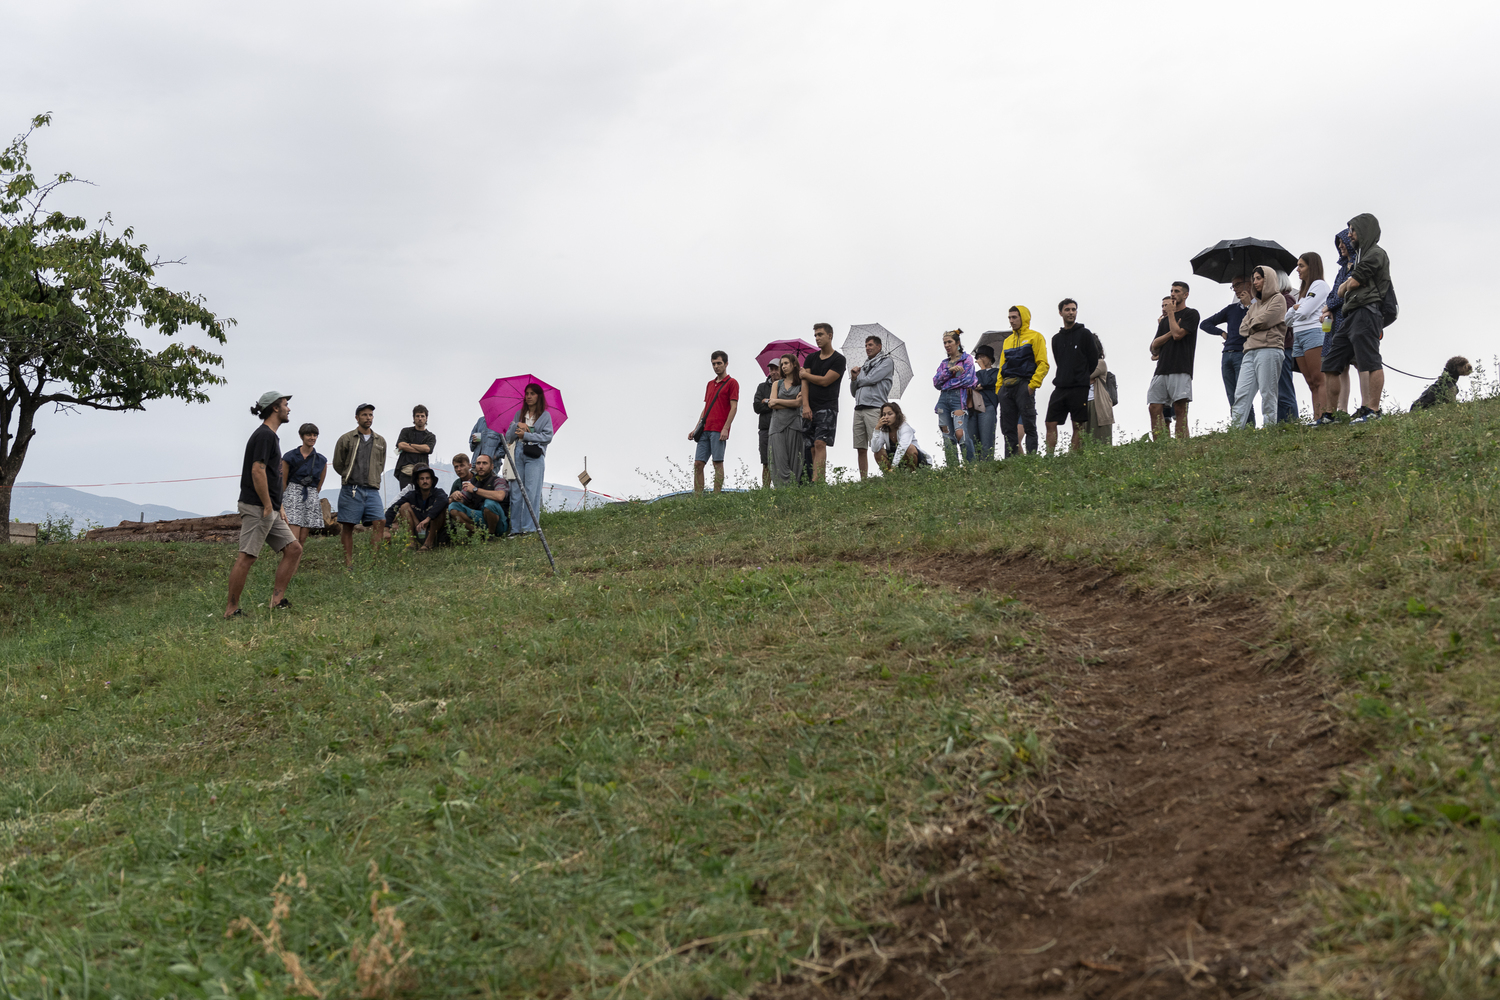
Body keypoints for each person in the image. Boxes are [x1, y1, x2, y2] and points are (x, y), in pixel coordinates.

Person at [224, 392, 304, 617]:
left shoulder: (271, 436)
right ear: (275, 408)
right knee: (247, 557)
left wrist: (278, 505)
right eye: (286, 405)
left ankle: (276, 601)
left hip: (270, 507)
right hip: (258, 507)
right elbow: (257, 471)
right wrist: (268, 505)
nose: (289, 409)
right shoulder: (264, 436)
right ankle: (231, 610)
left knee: (294, 549)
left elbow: (271, 475)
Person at [1322, 213, 1391, 424]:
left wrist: (1348, 283)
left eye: (1353, 230)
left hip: (1367, 312)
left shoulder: (1376, 254)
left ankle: (1373, 410)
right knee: (1331, 363)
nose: (1350, 235)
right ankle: (1330, 415)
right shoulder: (1359, 258)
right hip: (1350, 315)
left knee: (1370, 361)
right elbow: (1340, 290)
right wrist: (1347, 284)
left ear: (1364, 231)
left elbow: (1351, 284)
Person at [1230, 266, 1289, 428]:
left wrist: (1252, 324)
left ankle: (1269, 429)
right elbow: (1242, 329)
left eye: (1259, 278)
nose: (1255, 282)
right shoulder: (1254, 306)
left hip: (1270, 349)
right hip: (1249, 352)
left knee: (1267, 392)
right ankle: (1235, 430)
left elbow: (1266, 320)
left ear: (1268, 279)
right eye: (1254, 278)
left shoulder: (1278, 299)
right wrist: (1255, 324)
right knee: (1241, 393)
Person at [332, 403, 387, 568]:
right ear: (357, 418)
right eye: (364, 415)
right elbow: (338, 463)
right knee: (348, 525)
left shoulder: (380, 441)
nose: (368, 418)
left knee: (380, 521)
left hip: (372, 489)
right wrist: (348, 475)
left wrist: (374, 478)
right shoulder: (346, 439)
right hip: (352, 488)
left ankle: (372, 563)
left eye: (370, 415)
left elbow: (381, 464)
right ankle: (348, 564)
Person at [1045, 299, 1101, 455]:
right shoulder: (1056, 339)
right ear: (1060, 312)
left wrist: (1082, 375)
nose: (1071, 312)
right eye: (1067, 309)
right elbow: (1059, 360)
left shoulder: (1084, 334)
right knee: (1050, 422)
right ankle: (1049, 456)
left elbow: (1093, 359)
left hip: (1079, 386)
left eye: (1073, 309)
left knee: (1078, 424)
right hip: (1061, 385)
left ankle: (1073, 456)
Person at [1147, 281, 1199, 440]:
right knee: (1154, 406)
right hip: (1162, 368)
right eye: (1171, 291)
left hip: (1181, 367)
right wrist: (1168, 332)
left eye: (1177, 291)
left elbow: (1178, 335)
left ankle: (1182, 444)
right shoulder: (1164, 322)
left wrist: (1171, 314)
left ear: (1186, 295)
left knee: (1180, 408)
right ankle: (1160, 445)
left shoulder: (1191, 314)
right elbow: (1154, 346)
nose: (1173, 294)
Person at [1200, 275, 1254, 427]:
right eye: (1233, 286)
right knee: (1231, 394)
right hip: (1227, 354)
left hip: (1243, 353)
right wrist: (1221, 332)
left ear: (1249, 284)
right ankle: (1238, 427)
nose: (1235, 289)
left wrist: (1248, 306)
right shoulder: (1231, 309)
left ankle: (1249, 428)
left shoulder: (1257, 308)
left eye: (1238, 284)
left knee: (1243, 394)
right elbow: (1205, 324)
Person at [1316, 229, 1357, 423]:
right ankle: (1341, 409)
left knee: (1358, 362)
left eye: (1343, 242)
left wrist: (1328, 306)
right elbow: (1333, 294)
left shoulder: (1357, 264)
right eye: (1338, 243)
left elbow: (1344, 294)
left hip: (1349, 319)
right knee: (1339, 367)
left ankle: (1365, 406)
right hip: (1335, 323)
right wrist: (1329, 307)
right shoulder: (1342, 269)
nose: (1340, 246)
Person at [998, 305, 1049, 457]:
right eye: (1009, 317)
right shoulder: (1007, 341)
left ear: (1023, 317)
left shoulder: (1036, 337)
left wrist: (1032, 385)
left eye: (1014, 317)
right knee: (1007, 428)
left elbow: (1043, 364)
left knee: (1029, 424)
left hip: (1024, 384)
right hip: (1006, 387)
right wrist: (998, 389)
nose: (1011, 321)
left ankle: (1031, 459)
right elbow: (1002, 367)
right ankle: (1010, 462)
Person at [505, 383, 554, 534]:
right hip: (518, 452)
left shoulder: (545, 416)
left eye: (532, 393)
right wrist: (516, 426)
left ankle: (528, 528)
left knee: (531, 491)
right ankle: (515, 528)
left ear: (539, 396)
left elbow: (547, 437)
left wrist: (526, 435)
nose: (529, 396)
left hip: (534, 454)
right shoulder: (519, 415)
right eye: (527, 394)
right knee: (516, 490)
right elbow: (509, 438)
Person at [800, 324, 846, 483]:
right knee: (811, 446)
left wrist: (805, 375)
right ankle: (818, 480)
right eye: (815, 335)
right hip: (810, 407)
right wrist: (805, 405)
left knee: (820, 443)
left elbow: (826, 381)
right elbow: (804, 383)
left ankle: (817, 481)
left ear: (830, 335)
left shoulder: (839, 359)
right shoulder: (810, 358)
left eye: (820, 334)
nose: (817, 338)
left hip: (827, 407)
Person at [1287, 253, 1330, 423]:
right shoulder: (1303, 293)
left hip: (1313, 333)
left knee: (1319, 379)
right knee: (1311, 382)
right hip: (1298, 335)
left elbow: (1304, 312)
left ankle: (1325, 416)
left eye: (1301, 266)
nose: (1297, 269)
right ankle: (1317, 417)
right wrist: (1295, 308)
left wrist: (1297, 309)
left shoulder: (1319, 285)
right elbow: (1287, 319)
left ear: (1312, 267)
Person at [688, 351, 739, 494]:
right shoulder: (710, 384)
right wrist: (696, 428)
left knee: (717, 462)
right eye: (713, 364)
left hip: (718, 428)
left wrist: (726, 428)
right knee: (698, 464)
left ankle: (716, 495)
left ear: (726, 364)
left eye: (719, 363)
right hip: (705, 428)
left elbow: (734, 407)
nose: (716, 366)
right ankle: (698, 498)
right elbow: (706, 407)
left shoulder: (732, 383)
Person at [849, 333, 895, 479]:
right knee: (860, 447)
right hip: (859, 408)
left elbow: (872, 378)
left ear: (879, 346)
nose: (867, 348)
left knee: (877, 445)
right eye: (866, 345)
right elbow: (853, 392)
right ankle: (864, 480)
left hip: (874, 408)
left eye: (870, 345)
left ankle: (889, 476)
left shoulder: (886, 362)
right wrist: (854, 379)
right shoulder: (864, 366)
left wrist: (859, 379)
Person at [932, 329, 977, 464]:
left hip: (959, 399)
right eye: (944, 343)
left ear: (958, 343)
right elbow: (936, 382)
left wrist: (946, 383)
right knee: (947, 435)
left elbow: (968, 380)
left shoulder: (966, 359)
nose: (947, 345)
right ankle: (953, 468)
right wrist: (949, 371)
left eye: (949, 342)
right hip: (943, 400)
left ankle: (971, 466)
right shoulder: (944, 364)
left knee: (960, 433)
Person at [279, 423, 328, 545]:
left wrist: (312, 495)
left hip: (310, 495)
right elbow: (283, 482)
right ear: (301, 436)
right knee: (293, 539)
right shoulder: (289, 456)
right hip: (292, 495)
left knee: (302, 539)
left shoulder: (321, 460)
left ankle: (297, 558)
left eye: (315, 435)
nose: (312, 438)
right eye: (309, 435)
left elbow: (319, 485)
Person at [384, 464, 448, 550]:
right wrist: (386, 529)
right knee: (404, 506)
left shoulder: (438, 492)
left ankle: (428, 544)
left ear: (432, 480)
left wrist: (428, 518)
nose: (425, 481)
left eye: (427, 478)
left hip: (435, 532)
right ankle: (411, 543)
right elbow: (394, 508)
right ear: (417, 481)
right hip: (418, 529)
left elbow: (444, 500)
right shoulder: (411, 495)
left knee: (441, 507)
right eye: (422, 479)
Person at [448, 452, 509, 537]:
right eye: (478, 463)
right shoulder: (472, 482)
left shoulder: (498, 480)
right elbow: (462, 500)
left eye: (484, 463)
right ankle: (479, 534)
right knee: (453, 506)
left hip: (499, 522)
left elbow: (500, 496)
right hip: (480, 517)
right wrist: (454, 496)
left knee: (489, 504)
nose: (481, 466)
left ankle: (491, 535)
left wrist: (475, 490)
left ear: (491, 466)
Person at [766, 354, 805, 486]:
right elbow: (772, 404)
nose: (783, 366)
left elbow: (799, 403)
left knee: (795, 461)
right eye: (782, 364)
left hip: (794, 424)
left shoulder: (802, 384)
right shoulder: (777, 384)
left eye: (786, 363)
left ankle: (793, 489)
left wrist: (778, 401)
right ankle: (781, 490)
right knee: (778, 460)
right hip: (777, 426)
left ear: (794, 364)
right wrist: (791, 402)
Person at [871, 402, 932, 471]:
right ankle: (890, 476)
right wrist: (877, 429)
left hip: (918, 461)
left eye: (890, 414)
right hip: (896, 461)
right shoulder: (884, 430)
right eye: (884, 414)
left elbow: (902, 448)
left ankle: (912, 474)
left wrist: (894, 467)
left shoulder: (905, 428)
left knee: (909, 448)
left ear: (897, 415)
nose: (886, 417)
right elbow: (875, 449)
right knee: (878, 453)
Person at [394, 405, 437, 489]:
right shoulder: (406, 431)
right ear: (413, 417)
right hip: (406, 472)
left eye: (422, 416)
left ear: (426, 418)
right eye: (417, 416)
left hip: (422, 473)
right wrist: (421, 449)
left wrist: (409, 445)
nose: (420, 418)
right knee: (405, 496)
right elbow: (401, 445)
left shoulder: (430, 436)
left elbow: (427, 449)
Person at [970, 345, 999, 460]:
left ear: (990, 358)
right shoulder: (975, 374)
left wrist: (983, 368)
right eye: (978, 357)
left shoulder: (997, 372)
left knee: (986, 441)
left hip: (987, 406)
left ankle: (987, 466)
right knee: (973, 440)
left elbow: (988, 381)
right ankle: (975, 467)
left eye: (982, 356)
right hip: (973, 408)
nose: (980, 359)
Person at [752, 360, 778, 487]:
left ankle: (781, 489)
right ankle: (766, 490)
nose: (773, 372)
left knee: (781, 461)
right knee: (766, 462)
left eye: (776, 369)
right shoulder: (762, 387)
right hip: (765, 428)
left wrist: (766, 401)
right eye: (771, 369)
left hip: (781, 428)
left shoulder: (787, 386)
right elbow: (756, 407)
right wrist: (773, 404)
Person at [1087, 342, 1115, 445]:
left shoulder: (1100, 363)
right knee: (1085, 440)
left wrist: (1082, 379)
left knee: (1102, 441)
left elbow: (1081, 376)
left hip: (1098, 404)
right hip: (1084, 404)